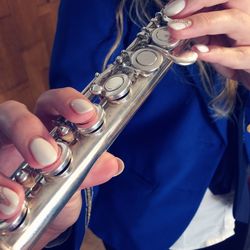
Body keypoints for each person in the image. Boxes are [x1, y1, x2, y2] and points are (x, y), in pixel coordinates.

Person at [0, 0, 250, 249]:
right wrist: (48, 221)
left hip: (237, 199)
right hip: (152, 220)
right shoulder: (93, 7)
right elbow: (76, 129)